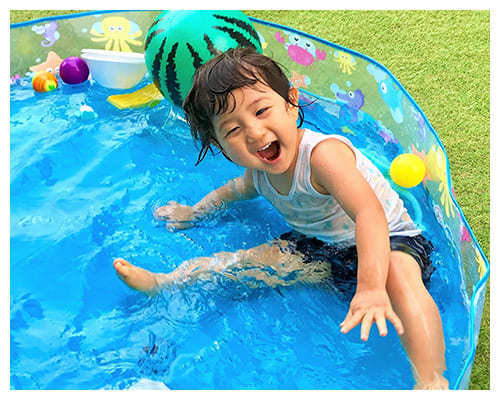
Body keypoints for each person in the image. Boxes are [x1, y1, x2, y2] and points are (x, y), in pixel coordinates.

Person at [113, 47, 448, 389]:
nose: (255, 133)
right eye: (233, 130)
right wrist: (194, 212)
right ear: (219, 145)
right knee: (242, 263)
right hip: (324, 248)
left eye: (261, 111)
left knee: (399, 279)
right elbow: (232, 191)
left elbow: (369, 214)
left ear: (291, 101)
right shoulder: (258, 174)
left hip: (390, 238)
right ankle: (165, 282)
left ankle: (431, 380)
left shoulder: (322, 157)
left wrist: (371, 286)